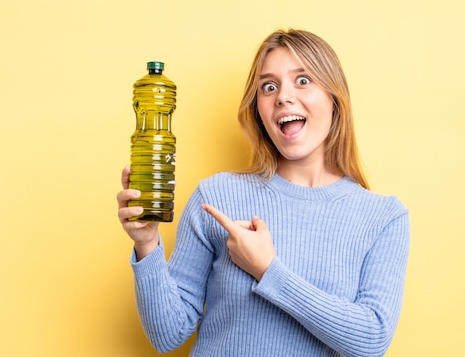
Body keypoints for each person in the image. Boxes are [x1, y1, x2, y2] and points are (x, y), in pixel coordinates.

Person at [117, 28, 410, 357]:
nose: (283, 96)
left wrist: (268, 270)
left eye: (302, 80)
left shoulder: (383, 217)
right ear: (258, 109)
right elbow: (167, 334)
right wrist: (146, 245)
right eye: (269, 87)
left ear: (334, 98)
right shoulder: (216, 196)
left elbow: (371, 341)